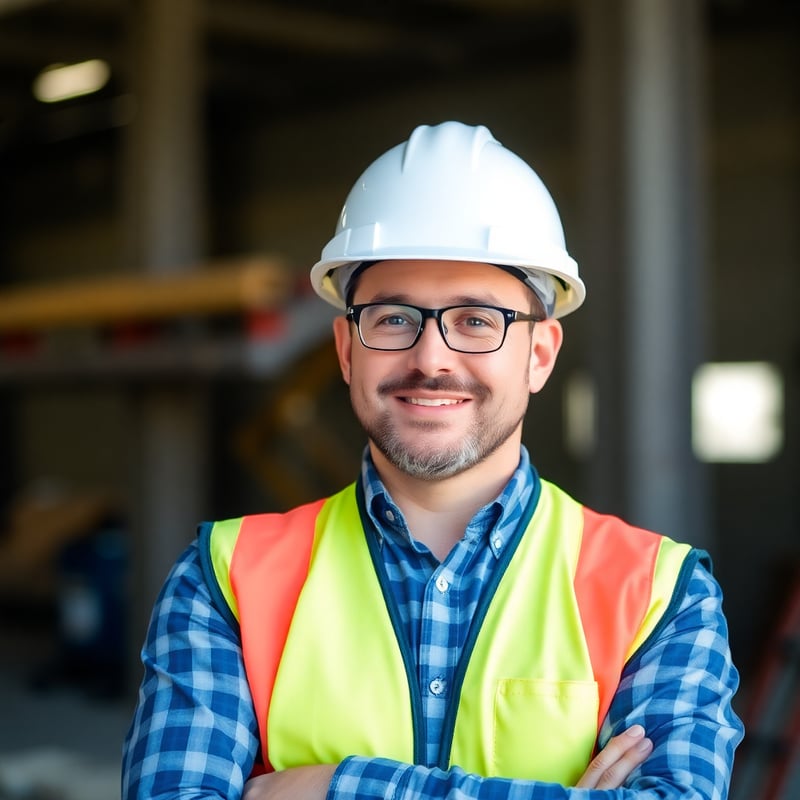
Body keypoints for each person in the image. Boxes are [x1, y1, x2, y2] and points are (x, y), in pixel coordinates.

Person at [122, 121, 743, 800]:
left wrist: (335, 787)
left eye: (477, 321)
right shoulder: (224, 579)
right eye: (393, 319)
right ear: (345, 349)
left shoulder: (661, 594)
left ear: (539, 354)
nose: (431, 358)